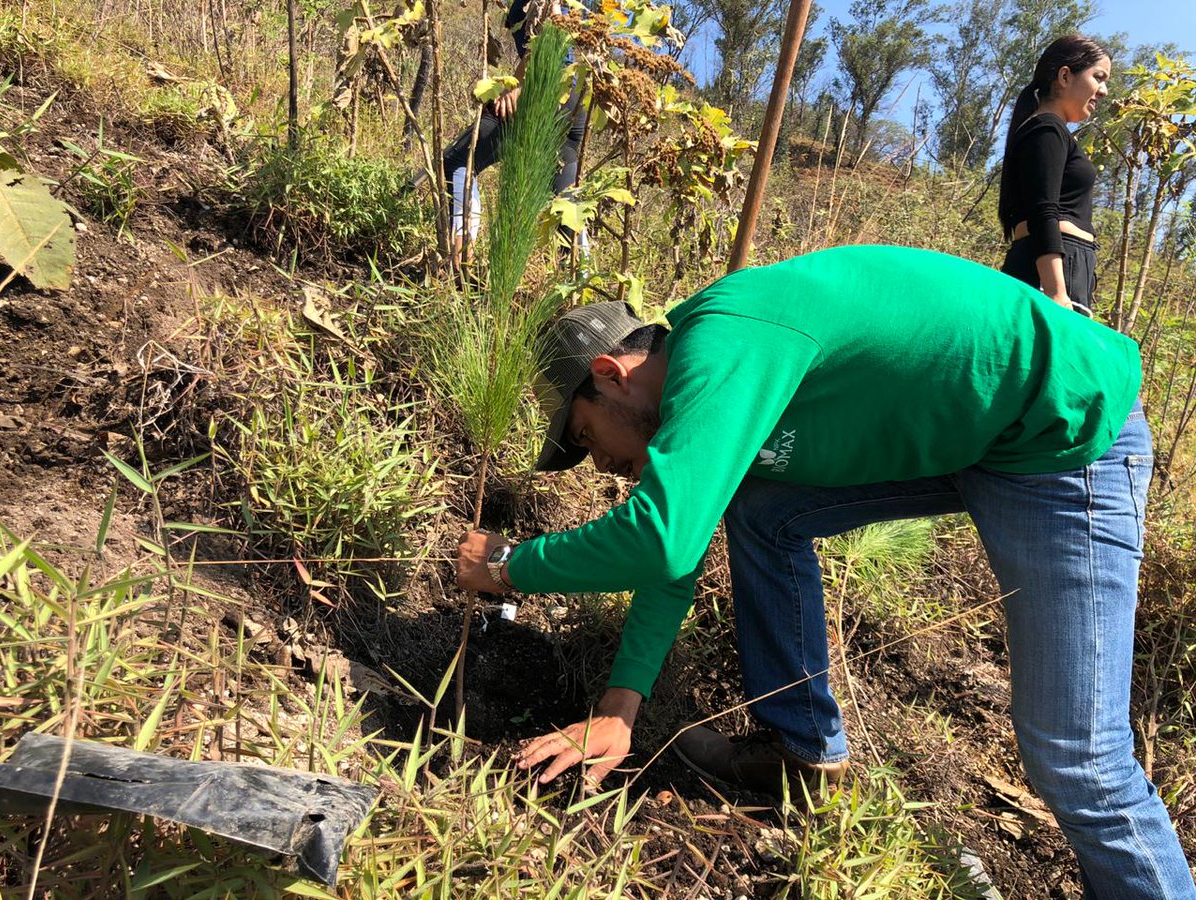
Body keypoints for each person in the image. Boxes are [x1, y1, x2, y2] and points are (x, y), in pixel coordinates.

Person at [455, 245, 1196, 897]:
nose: (607, 467)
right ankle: (806, 759)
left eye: (588, 438)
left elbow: (663, 541)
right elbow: (676, 549)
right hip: (979, 437)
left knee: (1076, 761)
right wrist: (620, 712)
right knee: (760, 510)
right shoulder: (717, 380)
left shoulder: (724, 345)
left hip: (1066, 432)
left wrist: (513, 566)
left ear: (612, 374)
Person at [441, 0, 587, 267]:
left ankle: (460, 264)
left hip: (547, 88)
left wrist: (519, 83)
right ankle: (580, 285)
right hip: (573, 98)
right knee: (565, 195)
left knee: (459, 160)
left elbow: (554, 31)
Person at [998, 35, 1110, 318]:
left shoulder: (1050, 130)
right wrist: (1056, 291)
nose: (1104, 90)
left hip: (1064, 265)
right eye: (1098, 77)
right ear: (1064, 76)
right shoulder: (1047, 128)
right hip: (1054, 270)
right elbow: (1043, 210)